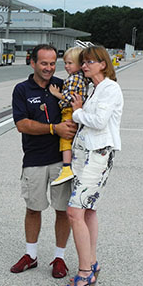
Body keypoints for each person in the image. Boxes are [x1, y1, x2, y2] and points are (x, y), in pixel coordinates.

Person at [10, 44, 77, 279]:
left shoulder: (62, 85)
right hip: (34, 159)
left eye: (52, 63)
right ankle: (31, 255)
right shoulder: (21, 90)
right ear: (32, 63)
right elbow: (22, 125)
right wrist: (54, 128)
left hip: (62, 160)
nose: (49, 68)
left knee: (63, 211)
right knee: (33, 208)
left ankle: (59, 258)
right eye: (44, 63)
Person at [60, 45, 123, 286]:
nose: (84, 66)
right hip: (87, 156)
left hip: (98, 155)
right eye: (83, 62)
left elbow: (98, 122)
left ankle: (85, 273)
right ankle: (92, 263)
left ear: (103, 64)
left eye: (89, 62)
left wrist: (77, 113)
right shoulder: (95, 88)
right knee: (87, 212)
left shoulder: (109, 88)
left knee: (74, 212)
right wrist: (81, 109)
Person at [48, 46, 89, 186]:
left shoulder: (73, 79)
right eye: (65, 63)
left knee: (65, 139)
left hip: (69, 111)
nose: (66, 66)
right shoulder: (82, 78)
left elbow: (69, 98)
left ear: (79, 64)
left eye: (70, 63)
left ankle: (66, 168)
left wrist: (56, 94)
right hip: (76, 111)